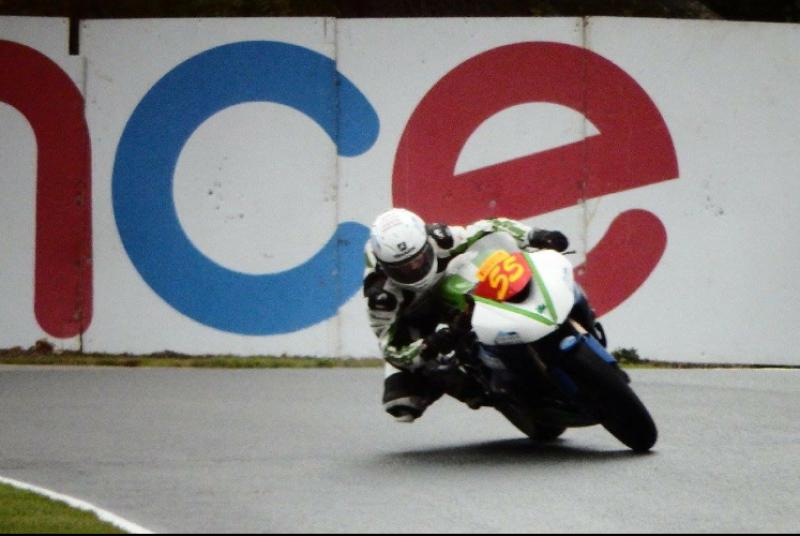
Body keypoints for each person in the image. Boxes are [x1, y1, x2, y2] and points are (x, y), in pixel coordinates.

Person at [363, 207, 603, 423]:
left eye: (419, 259)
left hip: (448, 284)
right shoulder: (382, 296)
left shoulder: (441, 239)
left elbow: (489, 227)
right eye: (403, 268)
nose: (414, 268)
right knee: (402, 403)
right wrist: (427, 345)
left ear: (426, 244)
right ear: (386, 268)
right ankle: (483, 394)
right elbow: (390, 347)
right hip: (414, 315)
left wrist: (534, 235)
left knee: (488, 274)